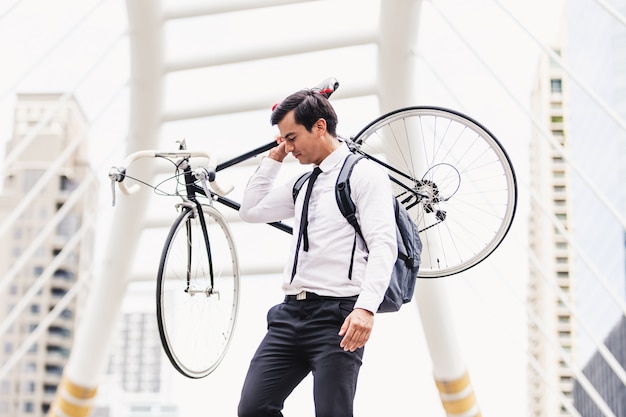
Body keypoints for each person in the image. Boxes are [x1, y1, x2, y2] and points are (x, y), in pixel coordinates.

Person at [237, 88, 397, 417]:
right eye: (284, 139)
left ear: (320, 127)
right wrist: (274, 159)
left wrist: (366, 309)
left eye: (292, 137)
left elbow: (384, 243)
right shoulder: (303, 183)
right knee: (253, 409)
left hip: (337, 319)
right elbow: (250, 210)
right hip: (289, 316)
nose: (289, 146)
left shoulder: (363, 174)